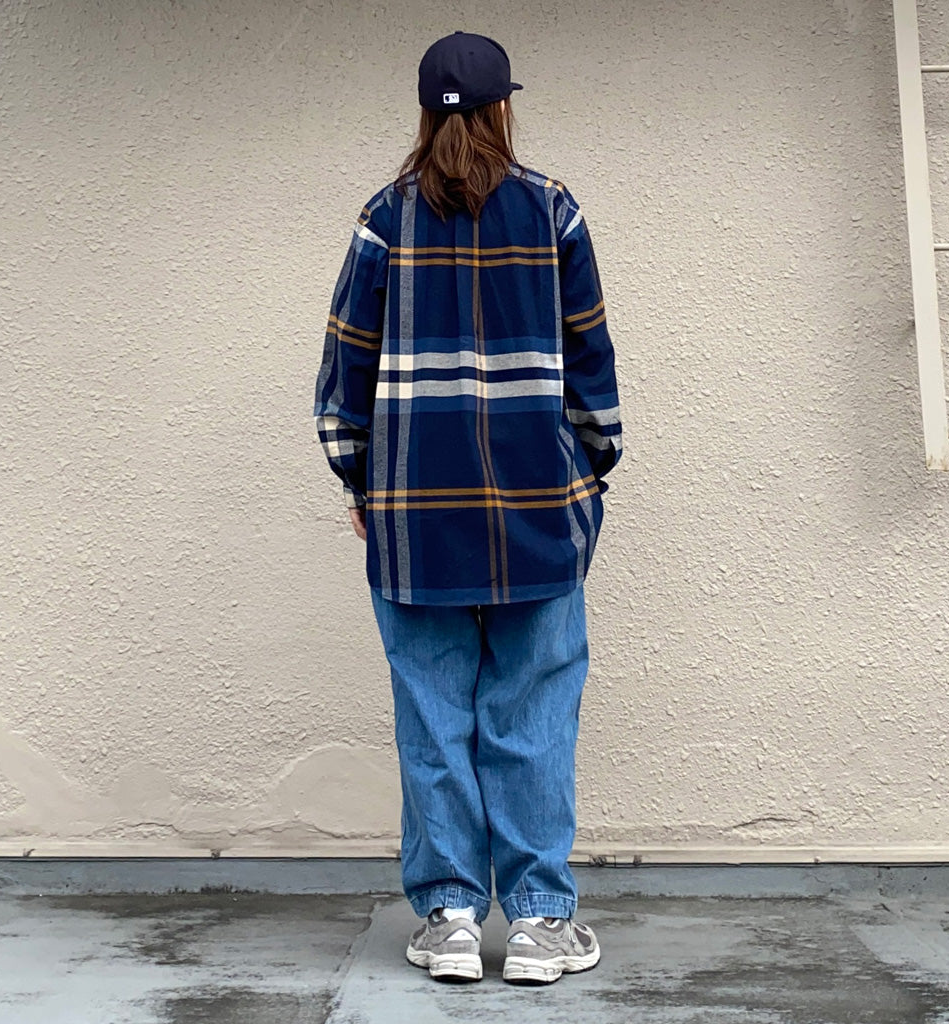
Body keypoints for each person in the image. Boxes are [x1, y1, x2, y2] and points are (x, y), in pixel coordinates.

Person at [313, 30, 622, 985]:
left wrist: (360, 479)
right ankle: (538, 924)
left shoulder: (383, 219)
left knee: (433, 714)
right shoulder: (552, 209)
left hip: (415, 511)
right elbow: (591, 363)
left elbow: (344, 368)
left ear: (423, 113)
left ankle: (449, 917)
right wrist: (592, 470)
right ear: (503, 109)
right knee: (533, 712)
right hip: (537, 507)